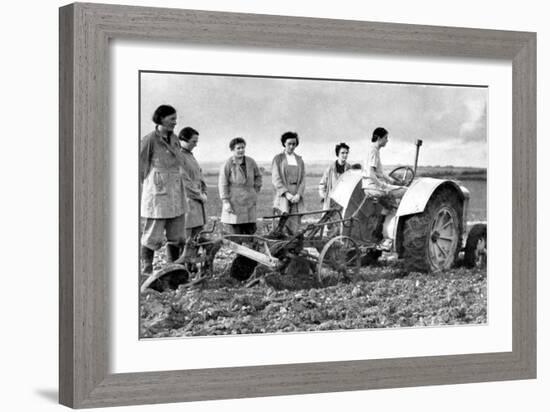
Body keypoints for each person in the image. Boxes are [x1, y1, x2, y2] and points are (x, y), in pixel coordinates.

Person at [139, 105, 188, 274]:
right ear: (161, 119)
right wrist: (151, 185)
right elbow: (139, 167)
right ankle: (146, 269)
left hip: (175, 192)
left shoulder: (174, 139)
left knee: (177, 235)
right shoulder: (149, 140)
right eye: (172, 119)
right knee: (153, 234)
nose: (175, 122)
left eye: (176, 119)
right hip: (158, 194)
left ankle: (172, 267)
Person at [218, 137, 263, 235]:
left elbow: (258, 176)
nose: (241, 150)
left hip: (249, 199)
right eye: (238, 148)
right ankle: (237, 249)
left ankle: (249, 248)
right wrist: (225, 201)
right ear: (232, 150)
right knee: (236, 230)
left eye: (243, 147)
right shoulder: (228, 164)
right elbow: (223, 183)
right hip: (234, 200)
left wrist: (255, 191)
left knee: (250, 229)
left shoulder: (251, 162)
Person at [178, 126, 208, 261]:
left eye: (197, 142)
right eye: (193, 142)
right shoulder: (178, 156)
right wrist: (199, 195)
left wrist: (204, 192)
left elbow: (200, 177)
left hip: (196, 202)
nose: (195, 145)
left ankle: (192, 265)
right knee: (184, 237)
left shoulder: (190, 156)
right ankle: (178, 268)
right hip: (186, 202)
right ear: (183, 140)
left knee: (196, 234)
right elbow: (184, 181)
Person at [271, 131, 306, 235]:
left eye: (294, 144)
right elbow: (276, 178)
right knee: (283, 221)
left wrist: (299, 194)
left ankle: (293, 247)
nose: (291, 146)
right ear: (284, 144)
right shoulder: (278, 159)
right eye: (289, 144)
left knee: (295, 222)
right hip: (283, 195)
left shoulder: (299, 160)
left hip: (296, 195)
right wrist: (286, 193)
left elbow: (303, 179)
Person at [361, 127, 406, 205]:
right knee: (405, 191)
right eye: (385, 138)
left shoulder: (371, 150)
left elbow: (380, 173)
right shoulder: (374, 151)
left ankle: (383, 215)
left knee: (389, 203)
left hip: (367, 187)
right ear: (379, 138)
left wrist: (394, 182)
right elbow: (371, 174)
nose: (387, 140)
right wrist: (383, 187)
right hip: (373, 187)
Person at [318, 142, 352, 211]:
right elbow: (322, 185)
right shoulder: (330, 169)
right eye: (342, 153)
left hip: (344, 203)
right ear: (337, 154)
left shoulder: (350, 169)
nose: (345, 155)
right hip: (331, 203)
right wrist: (325, 197)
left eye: (346, 153)